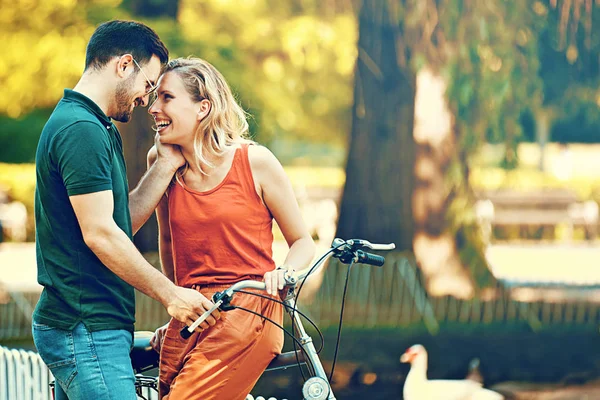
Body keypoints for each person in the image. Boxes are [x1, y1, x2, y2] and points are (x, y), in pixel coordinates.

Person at [33, 21, 218, 400]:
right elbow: (100, 234)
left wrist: (164, 166)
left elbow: (118, 224)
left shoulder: (98, 126)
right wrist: (170, 294)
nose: (147, 100)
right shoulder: (79, 129)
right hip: (84, 328)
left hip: (96, 327)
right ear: (124, 65)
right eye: (148, 85)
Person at [146, 57, 316, 400]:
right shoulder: (162, 163)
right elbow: (168, 241)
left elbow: (303, 242)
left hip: (250, 309)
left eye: (166, 97)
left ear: (202, 108)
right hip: (194, 313)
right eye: (154, 97)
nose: (153, 107)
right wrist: (176, 301)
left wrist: (285, 272)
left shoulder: (256, 162)